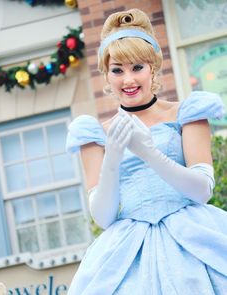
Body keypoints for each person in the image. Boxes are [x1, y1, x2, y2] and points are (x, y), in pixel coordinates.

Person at [66, 8, 227, 295]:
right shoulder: (96, 134)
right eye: (117, 70)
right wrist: (113, 158)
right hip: (127, 254)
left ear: (153, 67)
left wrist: (151, 153)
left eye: (137, 67)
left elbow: (202, 191)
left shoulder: (186, 112)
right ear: (107, 74)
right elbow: (103, 217)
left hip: (193, 239)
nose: (128, 80)